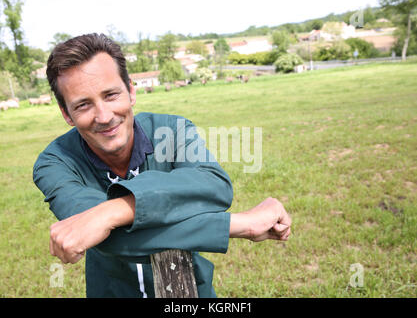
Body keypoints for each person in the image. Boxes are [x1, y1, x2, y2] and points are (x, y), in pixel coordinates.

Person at [33, 33, 292, 298]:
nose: (104, 116)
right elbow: (111, 239)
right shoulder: (55, 163)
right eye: (83, 105)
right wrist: (240, 225)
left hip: (189, 290)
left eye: (111, 95)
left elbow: (215, 186)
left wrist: (110, 213)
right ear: (66, 114)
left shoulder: (174, 129)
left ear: (131, 91)